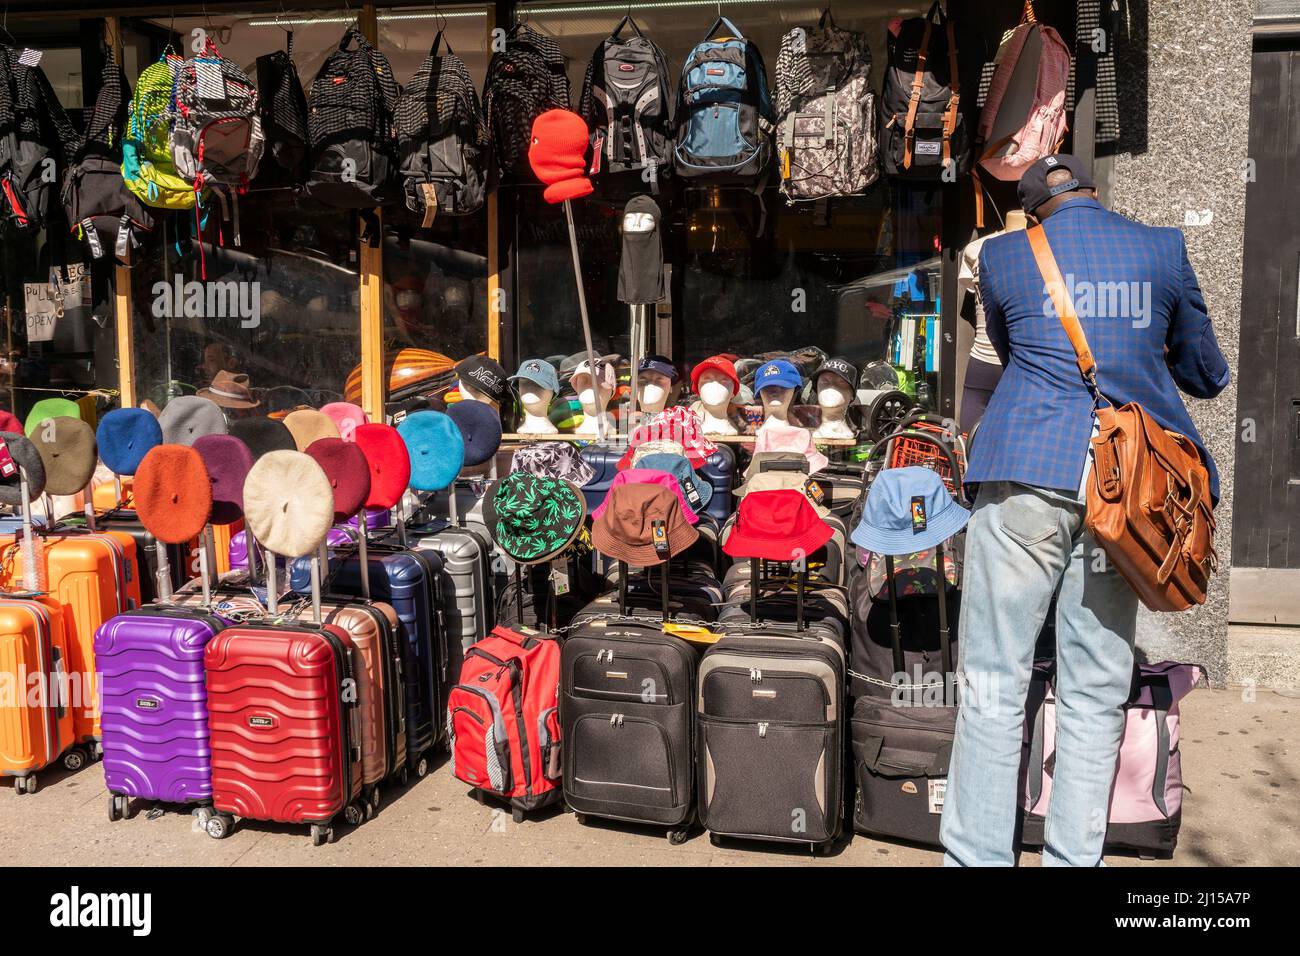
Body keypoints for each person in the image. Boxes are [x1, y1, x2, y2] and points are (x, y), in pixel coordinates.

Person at [941, 154, 1230, 867]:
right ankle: (1075, 861)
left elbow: (1012, 358)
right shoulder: (1162, 248)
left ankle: (977, 859)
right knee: (1095, 690)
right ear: (1097, 196)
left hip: (1023, 473)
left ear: (1037, 208)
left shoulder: (1004, 257)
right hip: (1126, 494)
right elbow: (1207, 373)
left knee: (993, 686)